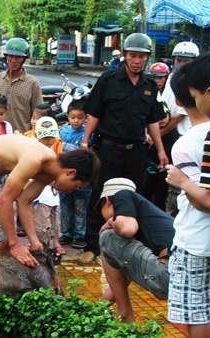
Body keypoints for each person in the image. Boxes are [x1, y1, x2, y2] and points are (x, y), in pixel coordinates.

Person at [79, 33, 168, 265]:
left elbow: (153, 121)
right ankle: (92, 245)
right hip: (108, 149)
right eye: (133, 55)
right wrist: (85, 142)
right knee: (100, 195)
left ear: (147, 58)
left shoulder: (150, 85)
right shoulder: (108, 80)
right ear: (125, 56)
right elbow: (94, 113)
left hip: (137, 151)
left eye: (142, 56)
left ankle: (129, 245)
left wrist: (160, 150)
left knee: (133, 197)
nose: (137, 60)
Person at [0, 134, 100, 267]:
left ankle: (3, 283)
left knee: (6, 239)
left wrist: (34, 241)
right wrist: (15, 244)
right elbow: (5, 200)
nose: (70, 191)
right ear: (70, 172)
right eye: (75, 186)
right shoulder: (35, 160)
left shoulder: (50, 168)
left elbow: (25, 201)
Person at [163, 59, 210, 338]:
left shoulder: (191, 142)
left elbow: (208, 202)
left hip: (198, 240)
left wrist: (182, 181)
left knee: (197, 312)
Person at [98, 177, 174, 324]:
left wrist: (110, 222)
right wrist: (96, 311)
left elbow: (127, 229)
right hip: (185, 279)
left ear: (107, 201)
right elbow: (122, 277)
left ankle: (125, 314)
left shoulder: (122, 195)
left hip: (167, 274)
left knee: (108, 237)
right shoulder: (149, 220)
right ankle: (124, 313)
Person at [141, 62, 179, 211]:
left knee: (161, 195)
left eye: (161, 77)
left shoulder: (172, 92)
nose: (157, 80)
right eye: (154, 77)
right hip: (149, 168)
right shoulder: (147, 91)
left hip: (163, 168)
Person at [0, 37, 43, 133]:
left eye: (18, 57)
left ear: (24, 59)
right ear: (6, 56)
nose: (13, 61)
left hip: (22, 138)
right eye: (10, 56)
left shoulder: (32, 83)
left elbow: (39, 114)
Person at [58, 99, 92, 249]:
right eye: (73, 117)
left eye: (80, 117)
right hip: (64, 180)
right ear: (67, 116)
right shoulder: (63, 133)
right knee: (65, 207)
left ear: (85, 117)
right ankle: (66, 233)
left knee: (80, 208)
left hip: (82, 182)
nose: (76, 120)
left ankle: (80, 235)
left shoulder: (88, 134)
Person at [31, 117, 66, 259]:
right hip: (40, 196)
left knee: (53, 223)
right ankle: (40, 253)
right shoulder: (36, 152)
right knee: (41, 227)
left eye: (52, 136)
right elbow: (35, 174)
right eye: (46, 137)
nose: (50, 140)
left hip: (52, 196)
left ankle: (47, 251)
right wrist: (54, 181)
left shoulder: (52, 150)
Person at [160, 41, 200, 137]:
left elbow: (180, 115)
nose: (182, 64)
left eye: (187, 61)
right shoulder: (171, 77)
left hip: (184, 133)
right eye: (179, 60)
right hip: (169, 131)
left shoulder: (195, 81)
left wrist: (159, 134)